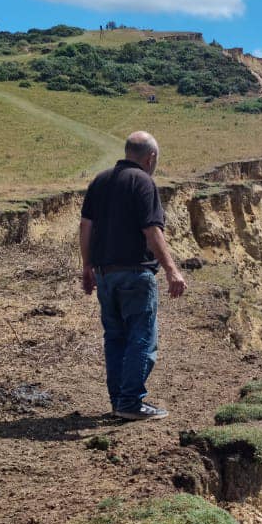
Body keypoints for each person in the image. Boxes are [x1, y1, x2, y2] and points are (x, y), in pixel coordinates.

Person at [79, 131, 186, 421]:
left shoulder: (99, 181)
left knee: (115, 336)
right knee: (142, 335)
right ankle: (130, 402)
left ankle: (119, 401)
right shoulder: (144, 182)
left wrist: (87, 266)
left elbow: (86, 227)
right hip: (135, 273)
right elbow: (152, 231)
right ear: (150, 158)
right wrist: (171, 270)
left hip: (104, 274)